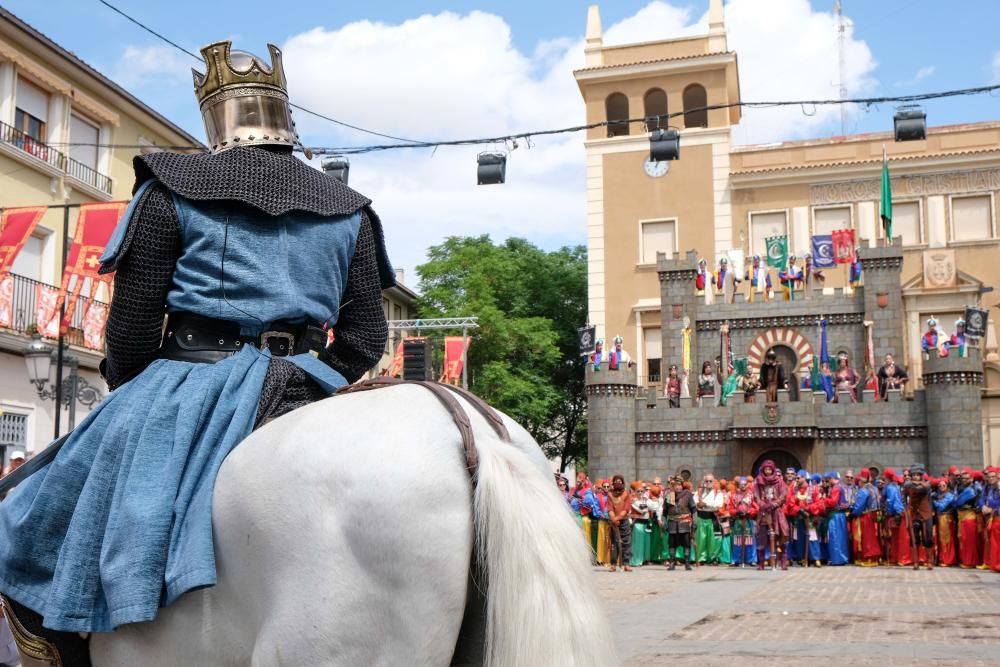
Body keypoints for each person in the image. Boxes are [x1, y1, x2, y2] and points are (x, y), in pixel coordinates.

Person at [0, 39, 395, 660]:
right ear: (284, 118)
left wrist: (133, 392)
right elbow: (368, 337)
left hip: (188, 377)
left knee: (23, 517)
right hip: (309, 380)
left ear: (215, 118)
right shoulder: (350, 209)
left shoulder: (170, 187)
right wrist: (311, 375)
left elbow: (131, 331)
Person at [753, 460, 789, 570]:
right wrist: (762, 504)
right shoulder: (758, 481)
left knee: (782, 533)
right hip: (764, 512)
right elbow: (756, 496)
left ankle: (783, 561)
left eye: (769, 469)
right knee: (762, 537)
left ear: (773, 470)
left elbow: (784, 494)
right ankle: (761, 563)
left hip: (776, 512)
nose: (768, 471)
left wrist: (775, 503)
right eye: (765, 469)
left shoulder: (779, 481)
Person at [902, 464, 934, 570]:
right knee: (914, 538)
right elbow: (903, 496)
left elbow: (920, 489)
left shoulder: (926, 485)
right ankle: (915, 561)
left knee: (928, 538)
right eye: (914, 475)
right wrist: (906, 507)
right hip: (914, 514)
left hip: (926, 514)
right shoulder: (907, 486)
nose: (916, 476)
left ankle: (929, 561)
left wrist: (918, 484)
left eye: (918, 475)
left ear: (921, 475)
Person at [662, 477, 696, 570]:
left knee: (686, 543)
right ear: (673, 486)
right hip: (672, 523)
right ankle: (672, 563)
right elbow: (664, 511)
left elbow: (693, 509)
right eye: (676, 485)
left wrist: (694, 522)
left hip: (684, 522)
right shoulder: (668, 496)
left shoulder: (687, 494)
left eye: (680, 485)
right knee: (672, 544)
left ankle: (687, 563)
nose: (678, 487)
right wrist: (664, 522)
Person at [849, 470, 882, 567]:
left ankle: (869, 557)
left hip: (864, 516)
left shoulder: (863, 490)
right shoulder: (874, 488)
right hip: (874, 515)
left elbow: (859, 506)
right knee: (873, 537)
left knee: (866, 538)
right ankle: (875, 557)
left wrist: (853, 513)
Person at [954, 468, 983, 568]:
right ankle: (966, 560)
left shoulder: (973, 490)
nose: (964, 480)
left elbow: (957, 502)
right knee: (964, 540)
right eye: (963, 478)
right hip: (962, 517)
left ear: (971, 479)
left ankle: (971, 561)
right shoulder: (962, 488)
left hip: (969, 517)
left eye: (967, 478)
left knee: (970, 541)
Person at [882, 468, 910, 566]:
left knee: (899, 537)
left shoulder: (890, 487)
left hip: (897, 513)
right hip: (901, 512)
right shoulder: (896, 486)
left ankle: (901, 558)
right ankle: (897, 558)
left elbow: (890, 501)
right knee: (898, 537)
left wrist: (888, 512)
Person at [694, 474, 724, 565]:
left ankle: (714, 558)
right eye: (706, 481)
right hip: (700, 518)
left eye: (710, 481)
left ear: (714, 482)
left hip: (712, 518)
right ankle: (701, 558)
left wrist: (705, 505)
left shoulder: (718, 493)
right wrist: (699, 505)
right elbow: (695, 502)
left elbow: (718, 505)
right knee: (701, 539)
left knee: (714, 540)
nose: (708, 483)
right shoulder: (699, 492)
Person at [729, 477, 758, 567]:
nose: (743, 486)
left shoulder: (751, 495)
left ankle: (752, 560)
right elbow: (730, 508)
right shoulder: (734, 495)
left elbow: (756, 507)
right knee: (737, 540)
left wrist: (749, 512)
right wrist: (736, 512)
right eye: (741, 484)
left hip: (748, 519)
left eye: (745, 484)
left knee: (750, 540)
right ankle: (736, 559)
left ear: (747, 485)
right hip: (738, 519)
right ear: (738, 485)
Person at [823, 472, 850, 566]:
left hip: (835, 515)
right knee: (841, 537)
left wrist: (824, 499)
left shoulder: (836, 488)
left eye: (829, 479)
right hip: (841, 515)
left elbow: (833, 502)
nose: (828, 482)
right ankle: (843, 558)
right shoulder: (843, 486)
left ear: (833, 478)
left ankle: (837, 559)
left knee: (834, 537)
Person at [606, 475, 632, 572]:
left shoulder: (626, 494)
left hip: (624, 521)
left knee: (626, 543)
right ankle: (613, 564)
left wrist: (618, 518)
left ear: (623, 483)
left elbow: (626, 508)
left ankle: (626, 564)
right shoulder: (610, 494)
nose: (618, 483)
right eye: (616, 481)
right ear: (613, 483)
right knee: (614, 543)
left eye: (620, 481)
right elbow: (609, 508)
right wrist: (613, 519)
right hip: (614, 522)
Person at [932, 478, 958, 567]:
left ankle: (948, 559)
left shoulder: (950, 496)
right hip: (939, 519)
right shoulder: (938, 495)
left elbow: (942, 507)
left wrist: (932, 501)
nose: (941, 487)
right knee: (940, 539)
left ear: (947, 486)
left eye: (943, 485)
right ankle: (941, 558)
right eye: (939, 486)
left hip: (946, 518)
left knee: (946, 539)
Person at [980, 467, 1000, 572]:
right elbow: (982, 499)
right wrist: (983, 506)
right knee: (994, 543)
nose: (991, 478)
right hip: (993, 519)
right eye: (989, 477)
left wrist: (993, 510)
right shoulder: (990, 488)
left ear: (997, 477)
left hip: (997, 517)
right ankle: (995, 565)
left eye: (993, 476)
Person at [629, 482, 652, 567]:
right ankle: (636, 560)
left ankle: (645, 559)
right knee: (638, 543)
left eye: (642, 491)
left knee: (646, 543)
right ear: (635, 492)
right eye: (638, 491)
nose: (640, 493)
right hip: (638, 523)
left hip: (646, 523)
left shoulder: (645, 500)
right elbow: (643, 510)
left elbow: (654, 507)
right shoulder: (633, 501)